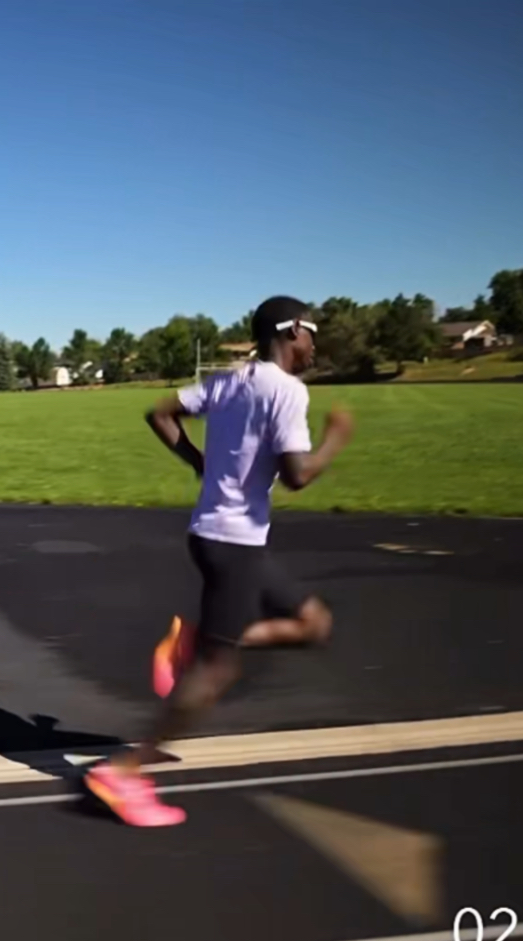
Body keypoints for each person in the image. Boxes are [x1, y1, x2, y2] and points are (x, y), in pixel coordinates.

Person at [85, 296, 352, 827]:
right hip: (233, 544)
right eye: (312, 332)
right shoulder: (287, 391)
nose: (314, 344)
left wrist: (198, 463)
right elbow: (297, 475)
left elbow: (159, 413)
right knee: (217, 670)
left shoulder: (232, 380)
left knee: (313, 624)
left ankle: (193, 642)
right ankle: (124, 771)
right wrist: (335, 441)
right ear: (292, 330)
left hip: (221, 538)